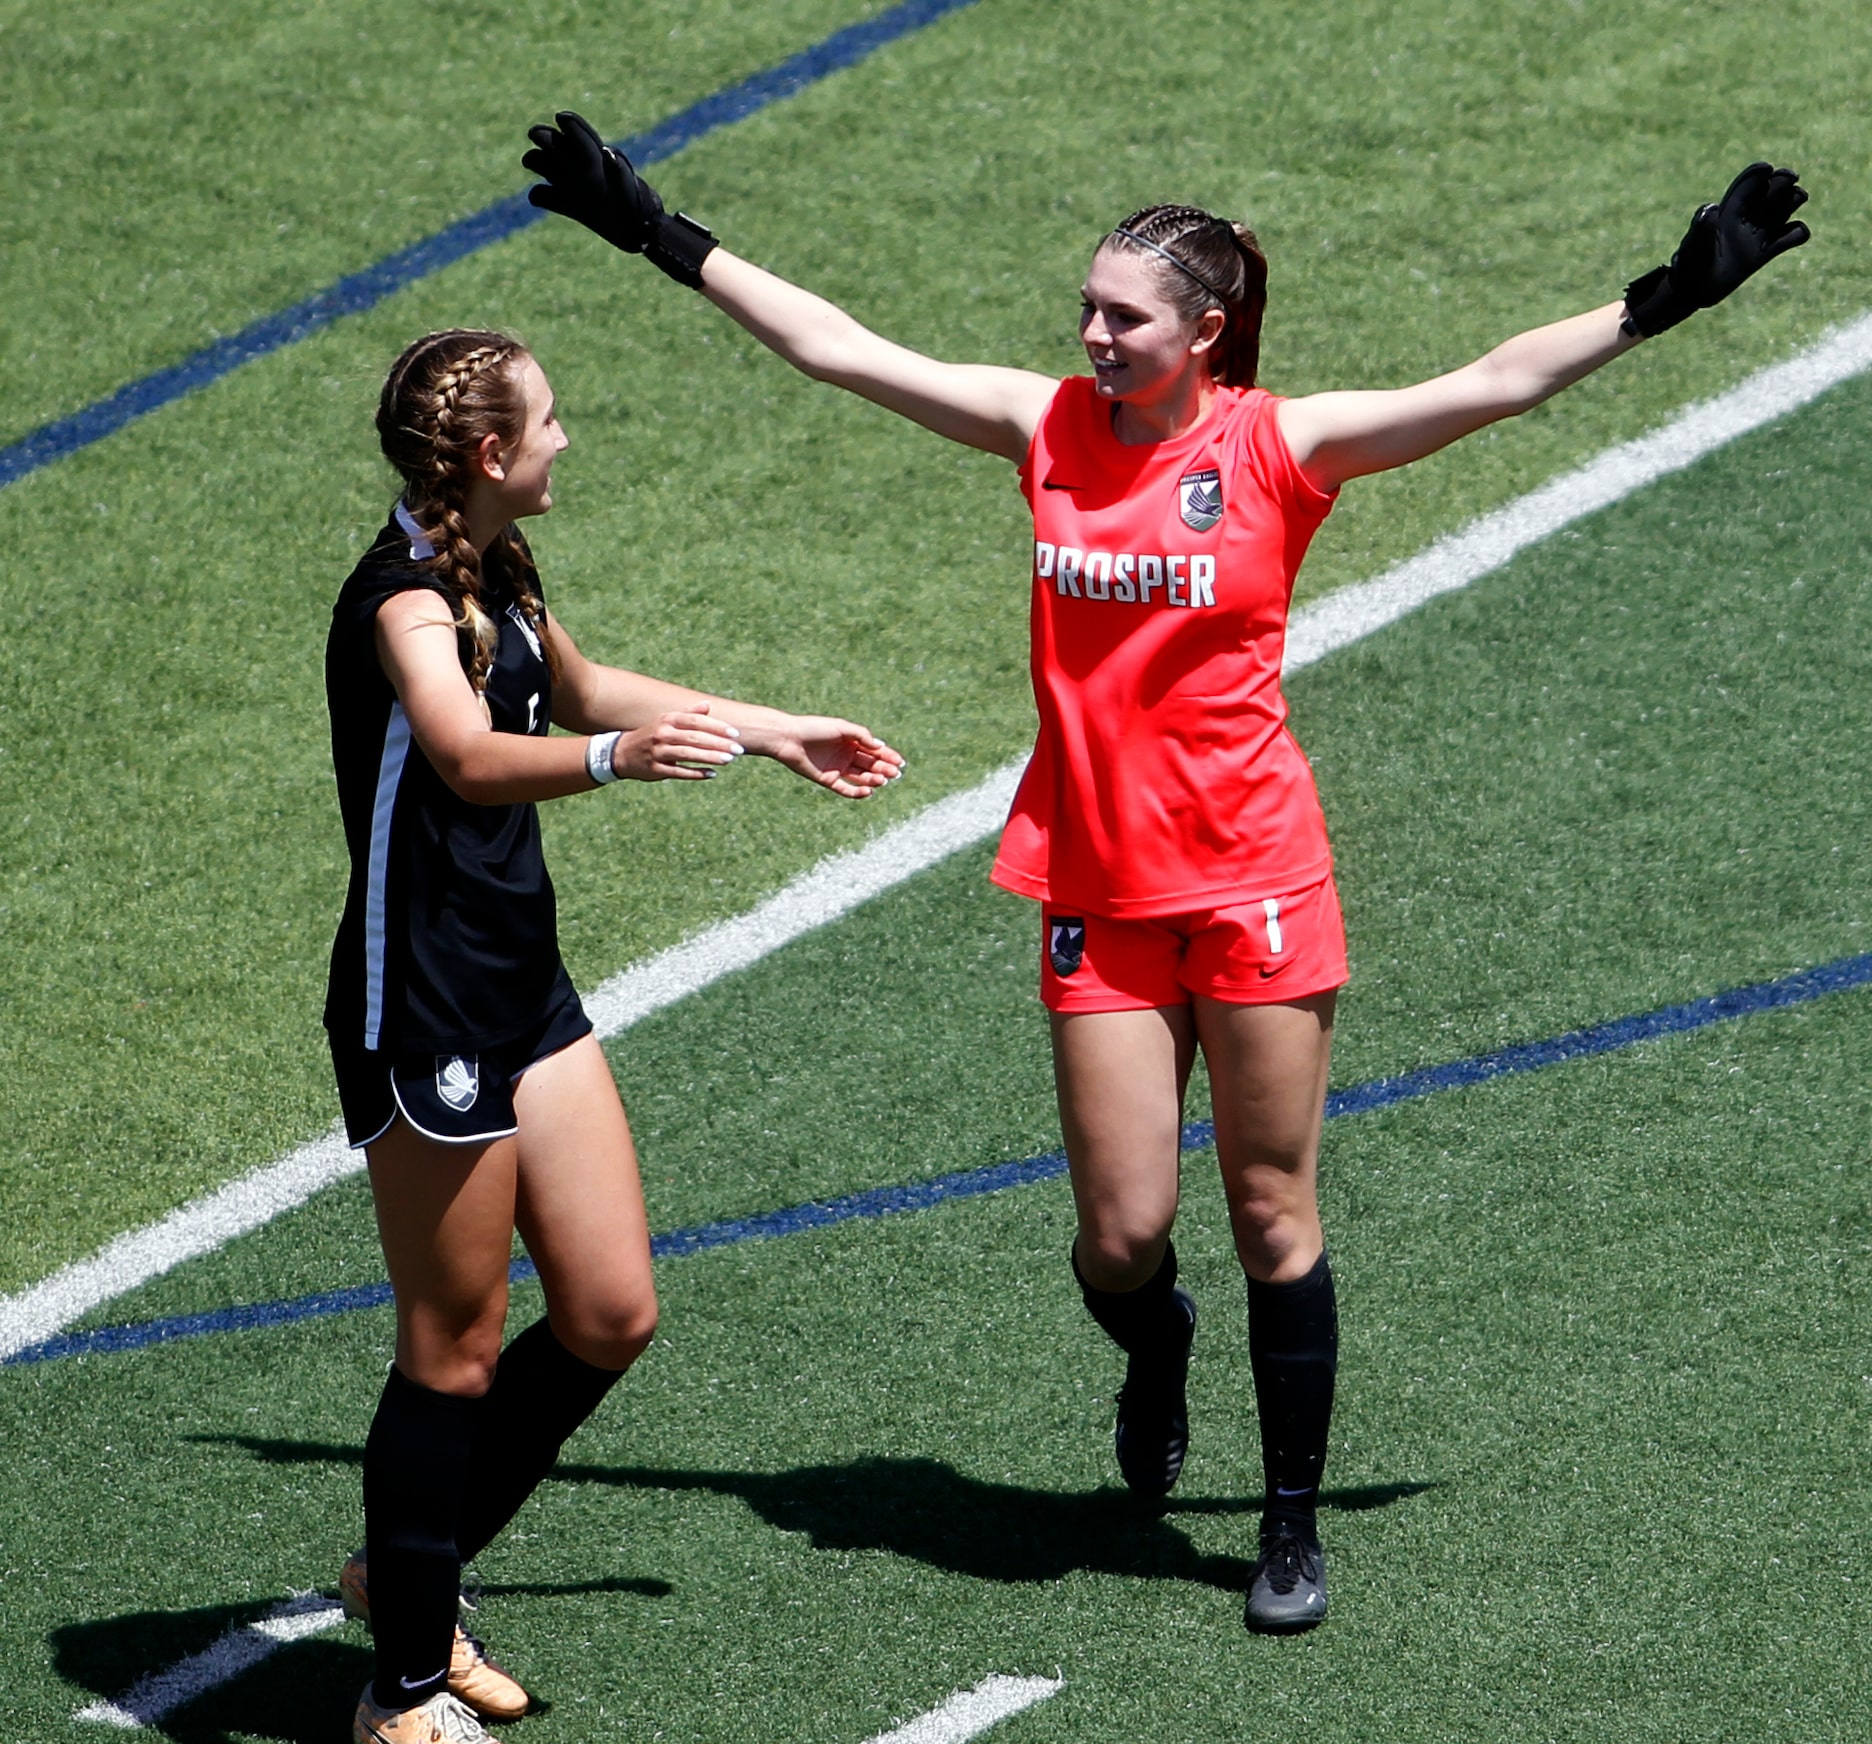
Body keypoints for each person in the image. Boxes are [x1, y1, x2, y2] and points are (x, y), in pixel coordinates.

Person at [520, 119, 1809, 1633]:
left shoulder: (1277, 445)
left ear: (1205, 330)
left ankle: (1284, 1524)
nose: (1092, 333)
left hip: (1256, 880)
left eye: (1124, 316)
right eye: (1086, 308)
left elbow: (1486, 384)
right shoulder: (1046, 427)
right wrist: (655, 227)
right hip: (1095, 885)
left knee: (1274, 1208)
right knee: (1122, 1235)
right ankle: (1154, 1345)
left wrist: (1665, 297)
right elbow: (836, 348)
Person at [324, 326, 902, 1744]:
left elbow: (579, 690)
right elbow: (464, 749)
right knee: (450, 1351)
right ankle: (399, 1686)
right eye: (550, 420)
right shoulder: (402, 598)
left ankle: (409, 1576)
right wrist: (609, 769)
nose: (569, 438)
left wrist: (771, 731)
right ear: (486, 456)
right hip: (428, 1013)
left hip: (527, 991)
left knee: (608, 1307)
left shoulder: (499, 565)